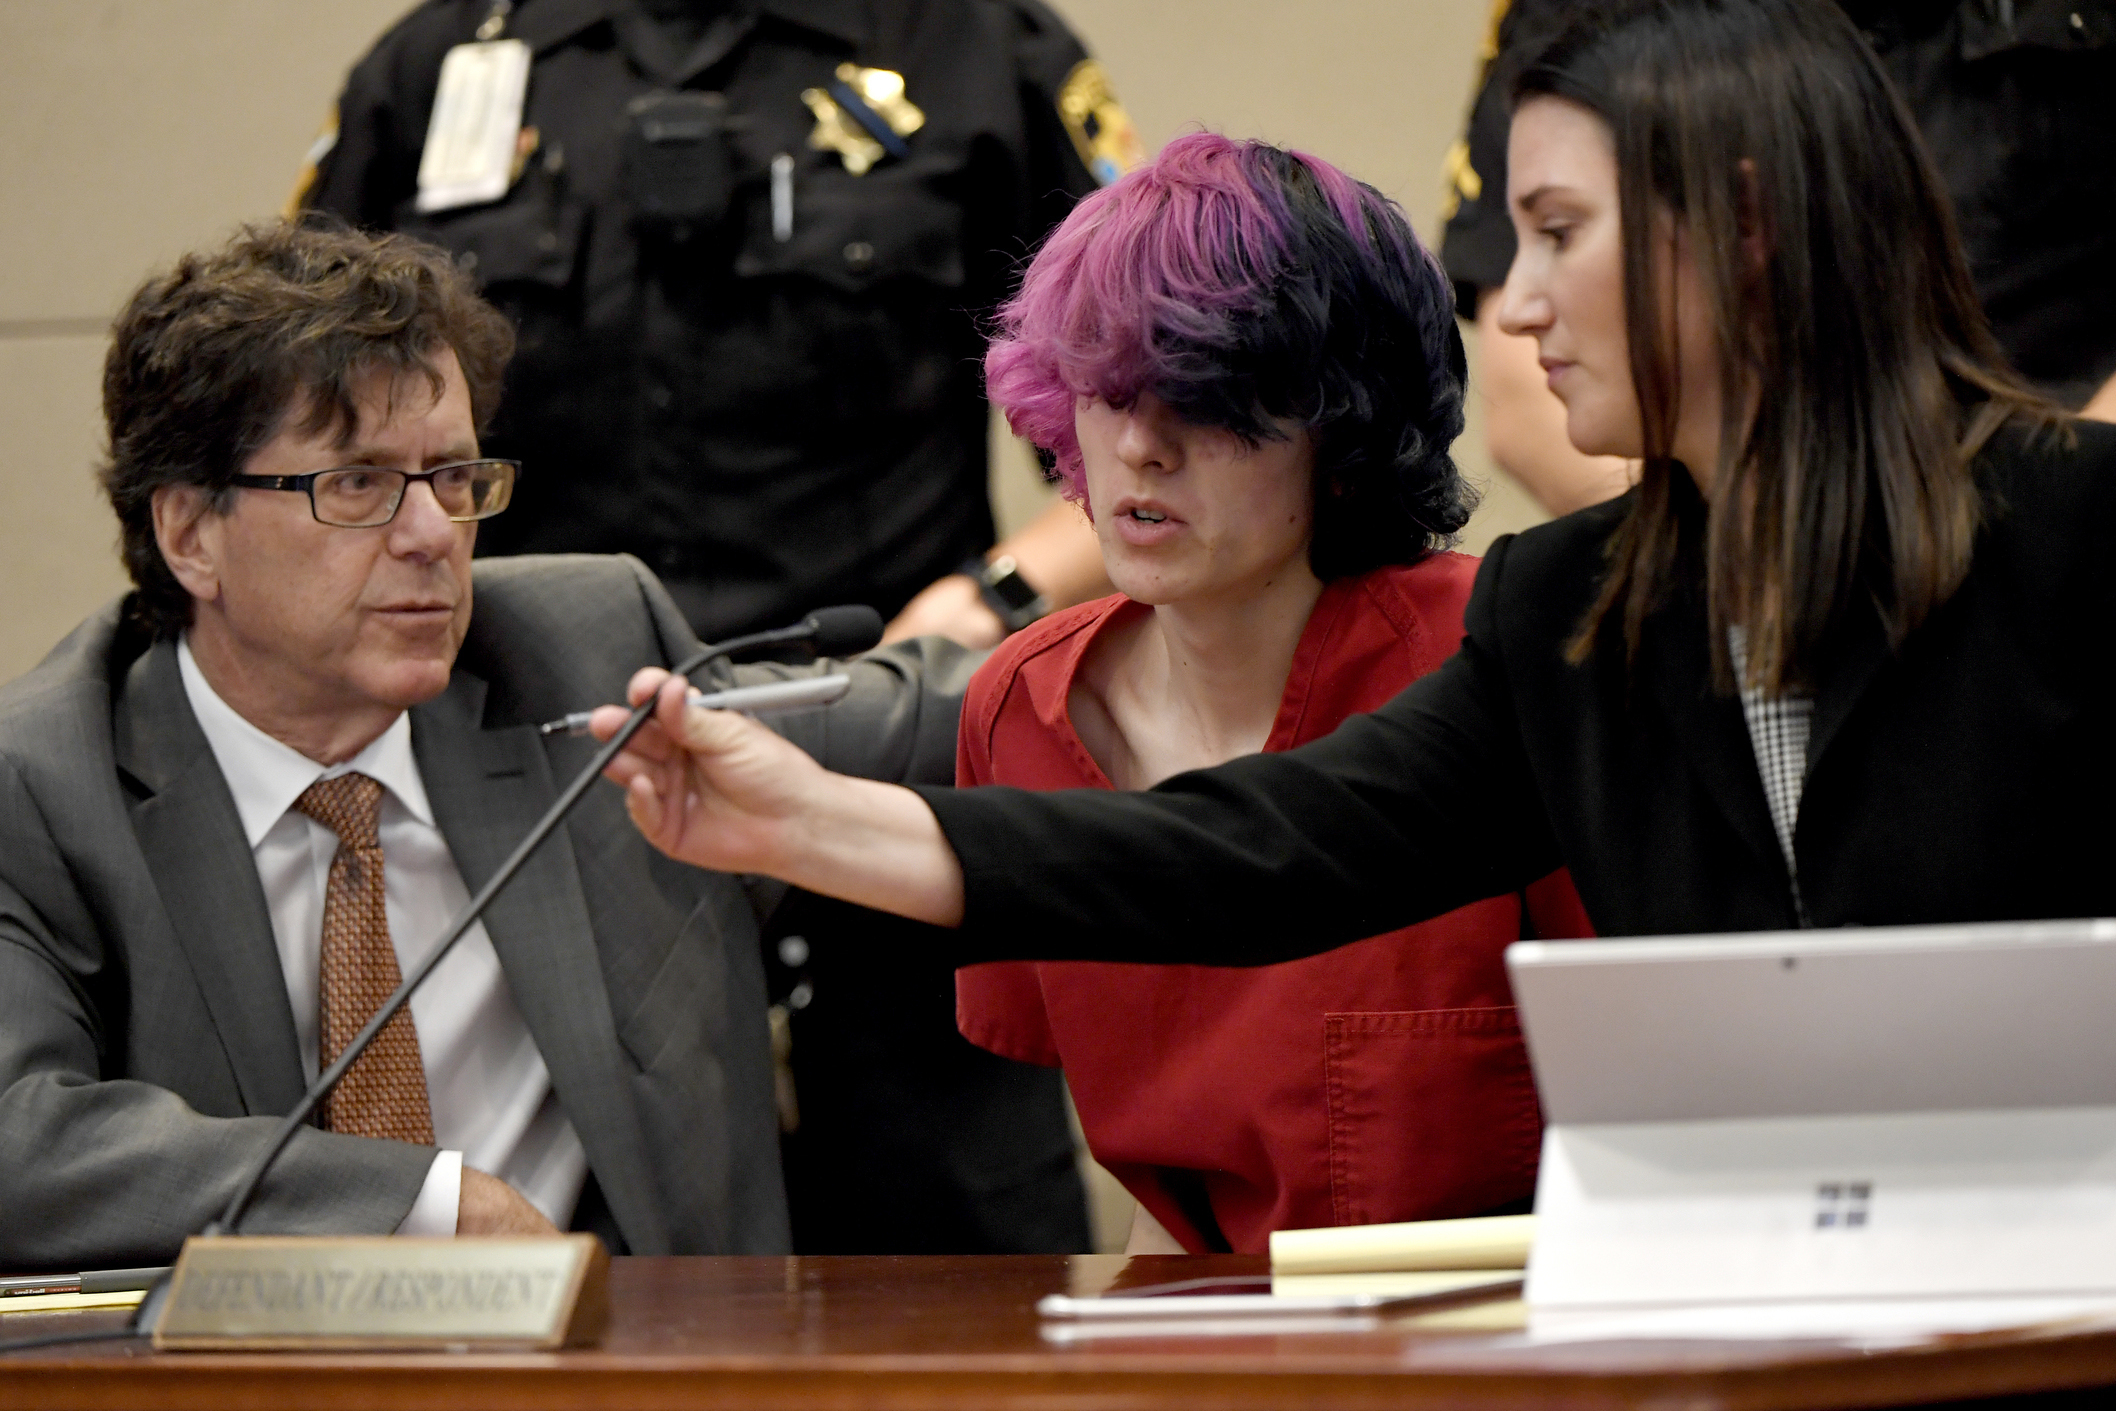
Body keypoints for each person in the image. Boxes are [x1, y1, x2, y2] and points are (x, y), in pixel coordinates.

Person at [589, 0, 2116, 978]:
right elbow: (1248, 851)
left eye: (1556, 232)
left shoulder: (2086, 528)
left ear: (1747, 230)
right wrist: (802, 821)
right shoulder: (1576, 608)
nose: (1511, 307)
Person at [297, 0, 1127, 1252]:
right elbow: (292, 407)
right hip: (554, 808)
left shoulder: (975, 48)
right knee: (598, 1289)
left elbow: (1154, 412)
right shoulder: (438, 66)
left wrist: (997, 598)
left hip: (886, 770)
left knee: (961, 1301)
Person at [0, 220, 977, 1269]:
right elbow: (21, 1140)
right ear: (191, 532)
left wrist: (1157, 653)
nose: (431, 535)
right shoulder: (49, 785)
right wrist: (423, 1204)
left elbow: (936, 721)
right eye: (359, 484)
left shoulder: (589, 660)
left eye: (455, 477)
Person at [949, 133, 1591, 1254]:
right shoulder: (1020, 711)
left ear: (1339, 427)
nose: (1141, 446)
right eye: (1104, 390)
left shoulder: (1506, 653)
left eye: (1203, 398)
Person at [1444, 0, 2116, 518]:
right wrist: (1740, 556)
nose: (1526, 311)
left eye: (1562, 233)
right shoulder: (1517, 604)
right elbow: (1527, 399)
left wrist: (2033, 556)